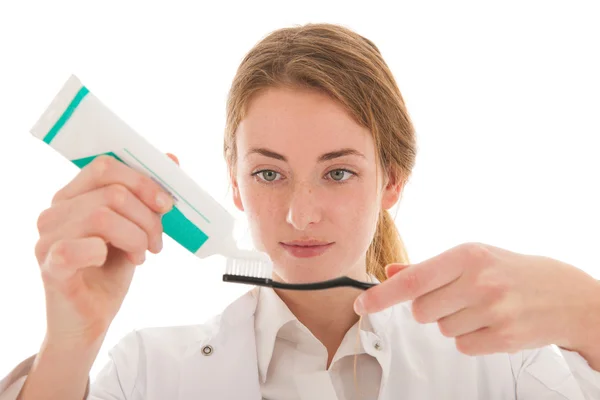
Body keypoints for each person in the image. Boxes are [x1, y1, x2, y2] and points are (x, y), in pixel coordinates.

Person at [1, 23, 599, 400]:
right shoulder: (149, 373)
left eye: (338, 172)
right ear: (234, 186)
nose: (299, 216)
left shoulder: (504, 368)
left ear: (392, 180)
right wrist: (70, 342)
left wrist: (587, 310)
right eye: (269, 174)